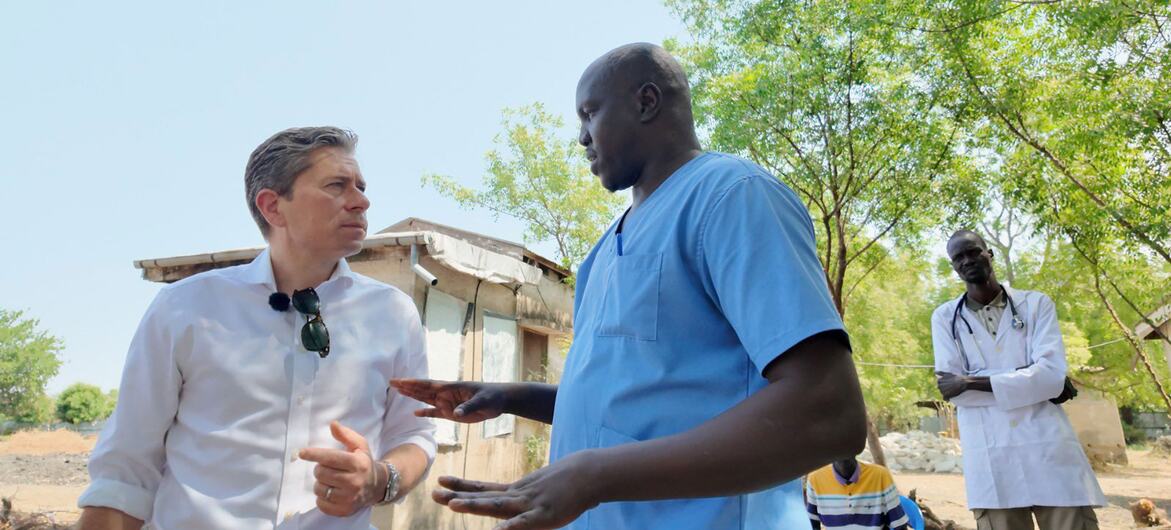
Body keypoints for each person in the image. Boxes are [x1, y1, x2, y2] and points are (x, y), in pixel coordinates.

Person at [391, 42, 867, 530]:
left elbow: (827, 412)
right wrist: (508, 396)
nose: (581, 138)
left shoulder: (732, 197)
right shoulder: (602, 251)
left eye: (589, 113)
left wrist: (597, 476)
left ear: (646, 102)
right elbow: (635, 403)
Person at [77, 127, 436, 529]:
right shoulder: (186, 309)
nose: (361, 201)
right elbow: (125, 469)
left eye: (361, 186)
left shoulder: (393, 314)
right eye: (337, 185)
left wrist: (379, 481)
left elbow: (415, 435)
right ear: (272, 206)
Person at [932, 230, 1105, 530]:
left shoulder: (1036, 305)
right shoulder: (945, 318)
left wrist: (971, 381)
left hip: (1049, 451)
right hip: (991, 459)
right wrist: (1029, 378)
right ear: (953, 267)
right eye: (958, 257)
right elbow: (952, 390)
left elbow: (1051, 376)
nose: (967, 260)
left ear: (990, 253)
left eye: (973, 251)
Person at [805, 456, 910, 530]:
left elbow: (900, 526)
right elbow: (812, 525)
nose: (842, 447)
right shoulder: (815, 480)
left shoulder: (880, 476)